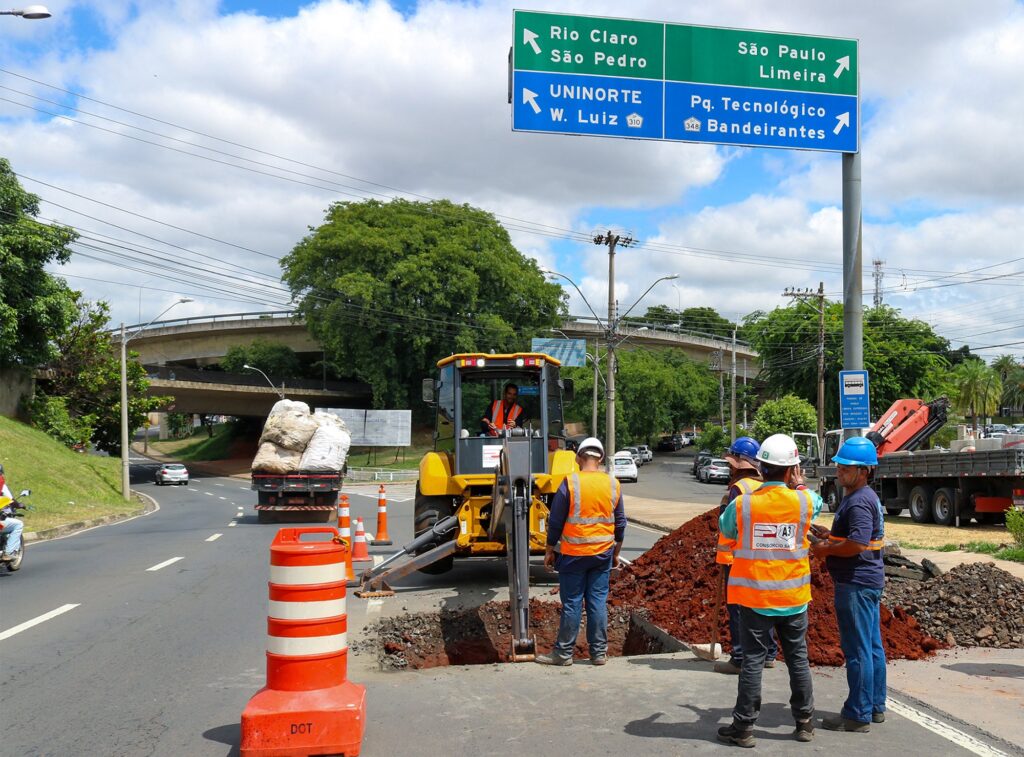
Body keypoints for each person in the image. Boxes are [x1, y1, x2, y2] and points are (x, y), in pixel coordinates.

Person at [717, 434, 823, 747]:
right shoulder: (804, 500)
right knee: (798, 660)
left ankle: (744, 727)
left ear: (762, 468)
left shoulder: (743, 504)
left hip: (755, 598)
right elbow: (816, 504)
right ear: (792, 470)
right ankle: (804, 723)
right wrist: (799, 485)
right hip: (793, 599)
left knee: (752, 661)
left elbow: (725, 529)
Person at [810, 436, 887, 733]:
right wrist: (831, 536)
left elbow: (857, 544)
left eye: (846, 468)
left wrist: (825, 550)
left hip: (855, 583)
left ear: (864, 471)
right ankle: (875, 706)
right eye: (839, 466)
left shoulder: (858, 502)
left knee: (858, 651)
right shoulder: (864, 497)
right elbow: (857, 538)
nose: (839, 471)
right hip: (867, 580)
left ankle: (857, 713)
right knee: (872, 647)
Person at [536, 436, 626, 667]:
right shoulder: (612, 484)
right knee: (597, 602)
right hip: (602, 555)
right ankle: (599, 654)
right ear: (601, 458)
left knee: (572, 603)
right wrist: (616, 553)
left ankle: (563, 654)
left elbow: (556, 522)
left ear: (578, 458)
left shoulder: (570, 482)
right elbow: (620, 524)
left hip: (573, 555)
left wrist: (549, 550)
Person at [714, 436, 773, 675]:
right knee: (763, 604)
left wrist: (723, 508)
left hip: (737, 557)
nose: (729, 467)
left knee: (737, 608)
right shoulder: (764, 485)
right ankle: (769, 654)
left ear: (739, 463)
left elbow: (729, 524)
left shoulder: (739, 488)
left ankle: (739, 657)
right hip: (761, 555)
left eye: (731, 463)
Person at [0, 464, 24, 560]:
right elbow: (11, 500)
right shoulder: (1, 484)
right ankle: (9, 553)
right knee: (18, 524)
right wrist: (19, 505)